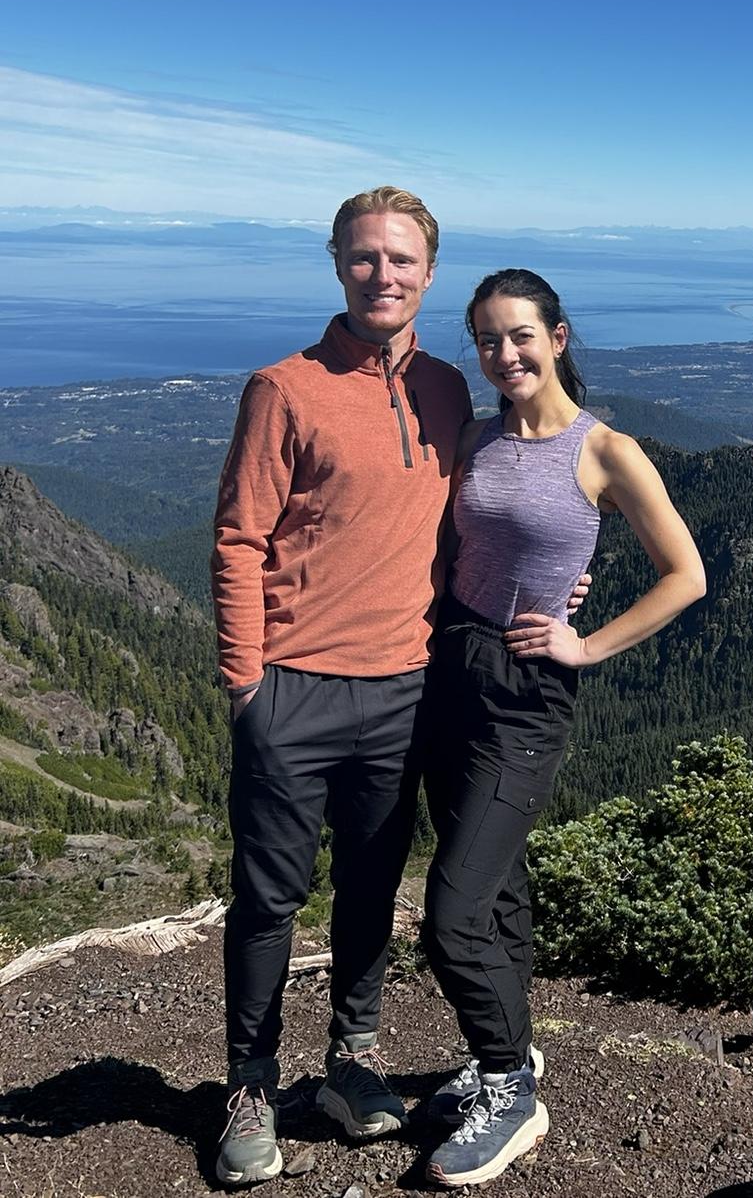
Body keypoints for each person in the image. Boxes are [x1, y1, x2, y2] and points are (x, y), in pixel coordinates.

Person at [210, 190, 589, 1188]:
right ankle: (250, 1086)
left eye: (402, 260)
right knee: (268, 899)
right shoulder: (283, 388)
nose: (383, 275)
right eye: (365, 257)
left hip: (407, 690)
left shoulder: (448, 389)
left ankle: (354, 1059)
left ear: (428, 272)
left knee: (372, 885)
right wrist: (247, 683)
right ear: (339, 264)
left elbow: (489, 512)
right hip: (294, 687)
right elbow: (239, 539)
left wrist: (552, 582)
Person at [419, 268, 706, 1189]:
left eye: (520, 336)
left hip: (526, 695)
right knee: (498, 889)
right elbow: (461, 550)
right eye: (487, 340)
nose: (504, 354)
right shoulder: (478, 438)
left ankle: (511, 1094)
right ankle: (510, 1053)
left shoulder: (607, 451)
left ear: (558, 337)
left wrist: (584, 646)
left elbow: (686, 575)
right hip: (451, 669)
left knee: (452, 914)